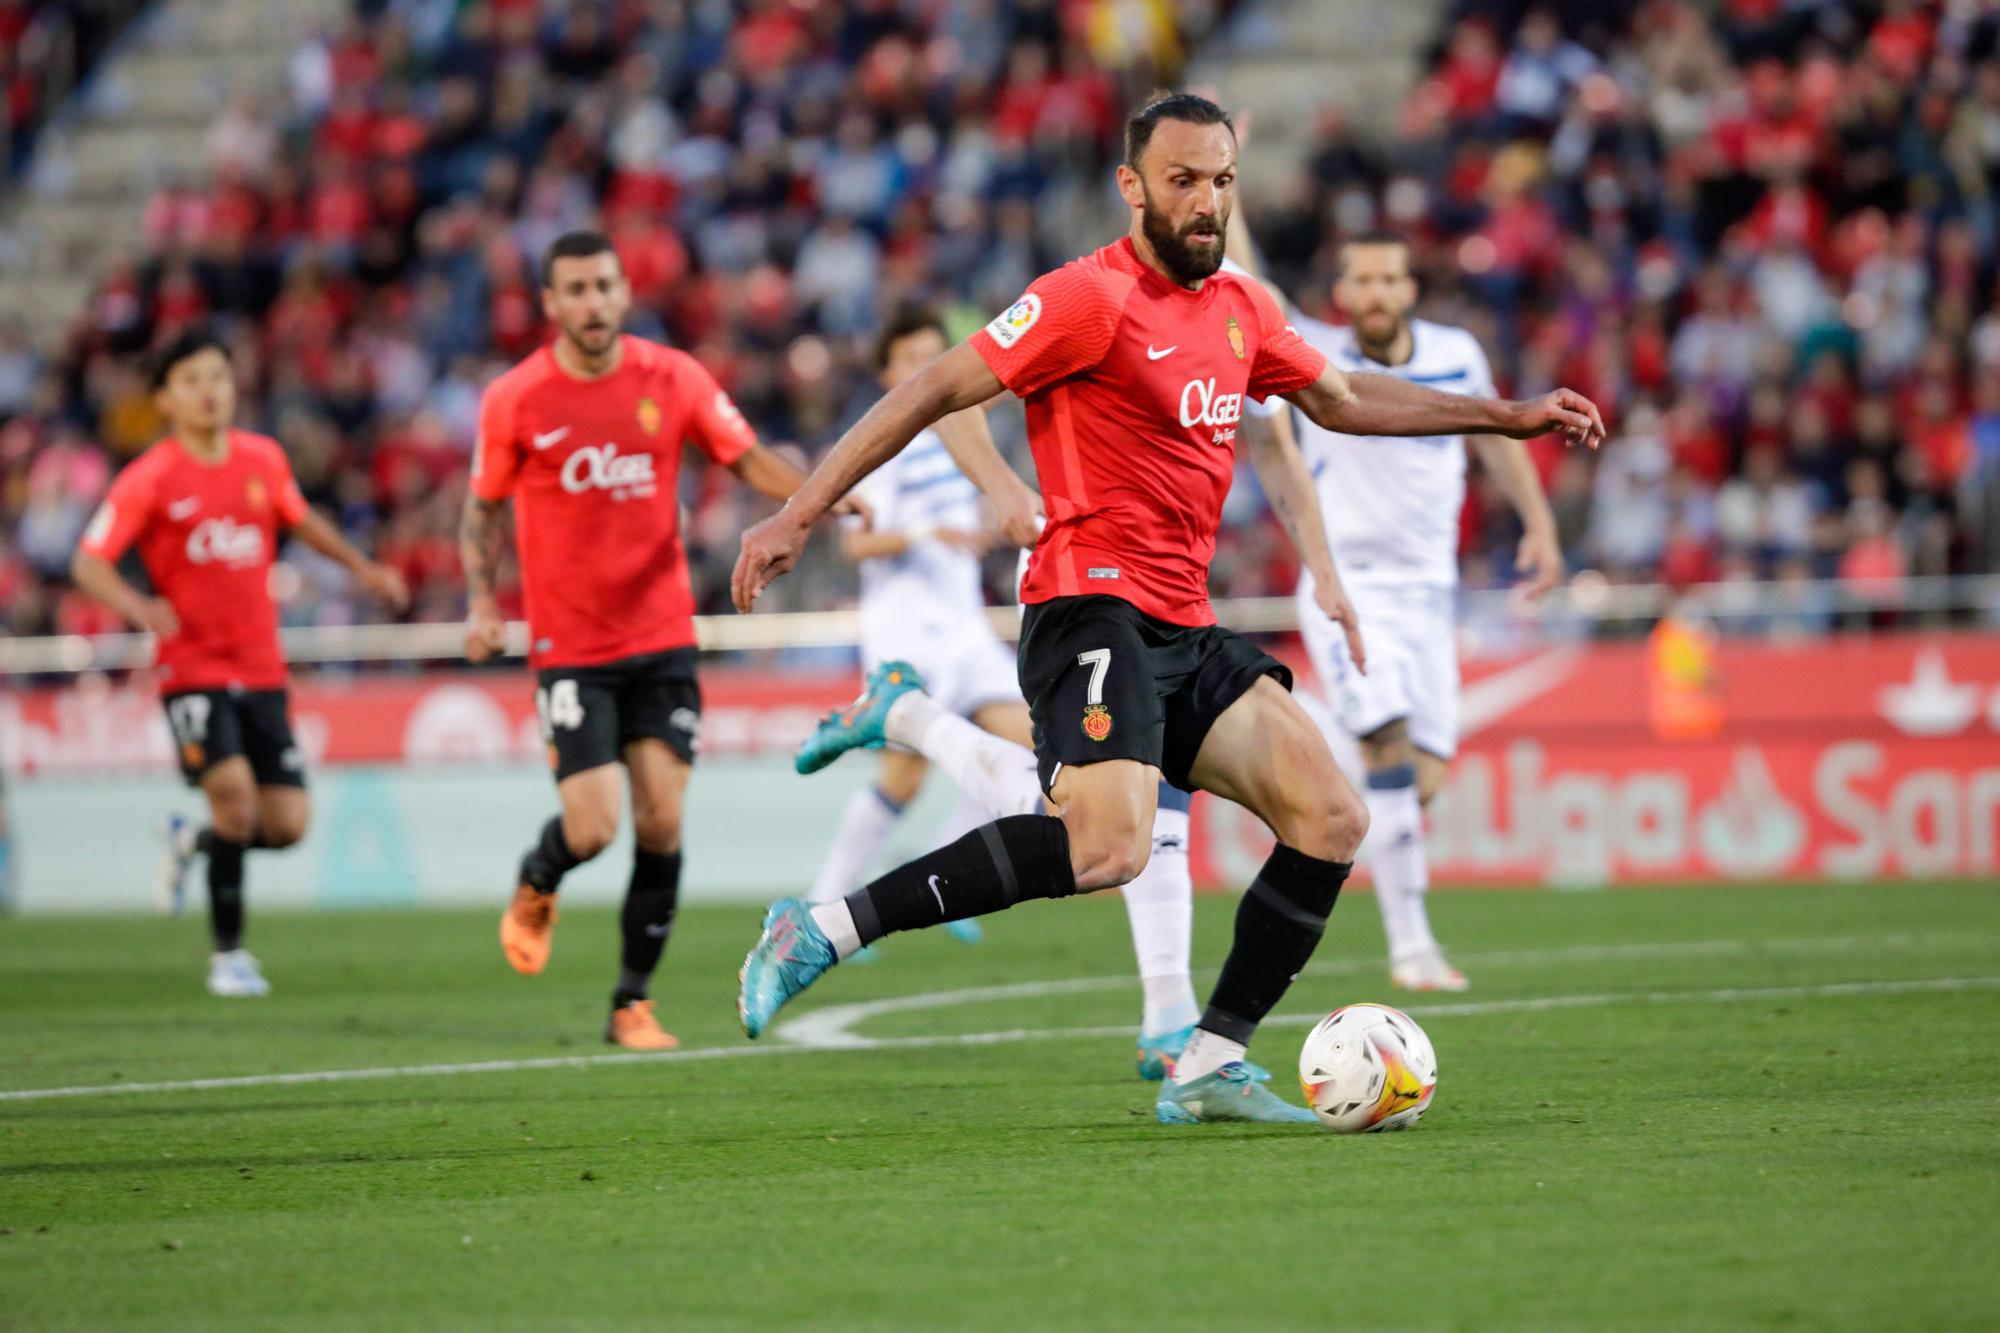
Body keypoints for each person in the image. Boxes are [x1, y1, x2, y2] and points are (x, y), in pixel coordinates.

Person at [732, 93, 1603, 1125]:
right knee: (1109, 848)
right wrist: (798, 511)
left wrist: (1500, 414)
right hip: (1084, 606)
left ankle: (1208, 1059)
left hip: (1181, 624)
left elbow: (1345, 400)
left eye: (1221, 182)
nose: (1205, 203)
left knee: (1331, 816)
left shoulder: (1240, 307)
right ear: (1133, 186)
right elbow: (931, 387)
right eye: (1183, 181)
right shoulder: (1083, 299)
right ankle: (822, 928)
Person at [805, 303, 1214, 1077]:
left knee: (1036, 749)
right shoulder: (889, 445)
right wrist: (927, 534)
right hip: (906, 632)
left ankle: (938, 859)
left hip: (966, 628)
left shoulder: (966, 434)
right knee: (905, 772)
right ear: (892, 372)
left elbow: (1006, 388)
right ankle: (830, 893)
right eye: (917, 355)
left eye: (940, 349)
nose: (934, 363)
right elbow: (857, 539)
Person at [461, 230, 844, 1052]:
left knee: (662, 821)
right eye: (576, 289)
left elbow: (744, 457)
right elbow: (482, 509)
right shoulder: (516, 398)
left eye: (605, 285)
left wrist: (819, 498)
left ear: (623, 292)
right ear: (550, 303)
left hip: (662, 633)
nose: (593, 302)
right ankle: (540, 875)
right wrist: (481, 600)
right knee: (594, 826)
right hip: (570, 644)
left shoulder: (671, 378)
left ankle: (631, 1001)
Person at [1224, 230, 1567, 992]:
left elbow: (1498, 438)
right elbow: (1249, 275)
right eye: (1362, 281)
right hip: (1349, 587)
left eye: (1388, 279)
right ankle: (1412, 948)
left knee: (1423, 779)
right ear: (1343, 293)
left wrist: (1540, 526)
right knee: (1387, 743)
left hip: (1429, 597)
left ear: (1410, 289)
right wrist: (1231, 186)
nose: (1375, 292)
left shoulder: (1457, 353)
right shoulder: (1311, 349)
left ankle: (1300, 735)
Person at [71, 329, 409, 996]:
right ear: (165, 398)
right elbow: (89, 559)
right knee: (233, 801)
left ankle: (191, 842)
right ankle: (229, 955)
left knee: (284, 825)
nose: (209, 391)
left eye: (219, 377)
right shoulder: (151, 477)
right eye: (193, 380)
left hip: (260, 666)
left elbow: (299, 518)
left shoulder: (262, 459)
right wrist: (136, 605)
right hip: (191, 666)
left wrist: (361, 566)